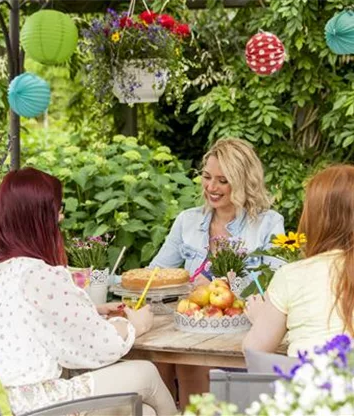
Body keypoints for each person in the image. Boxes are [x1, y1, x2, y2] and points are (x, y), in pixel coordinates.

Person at [0, 167, 177, 416]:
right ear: (41, 217)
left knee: (146, 413)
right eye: (58, 209)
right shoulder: (39, 274)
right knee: (146, 373)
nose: (61, 217)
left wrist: (91, 310)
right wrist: (134, 324)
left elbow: (27, 319)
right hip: (33, 406)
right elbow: (98, 346)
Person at [149, 137, 285, 409]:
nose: (211, 187)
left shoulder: (268, 223)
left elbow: (275, 283)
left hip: (241, 329)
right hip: (193, 325)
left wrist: (225, 287)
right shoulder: (187, 221)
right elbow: (155, 274)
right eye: (207, 177)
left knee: (189, 358)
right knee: (158, 356)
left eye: (223, 180)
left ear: (243, 181)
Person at [243, 164, 354, 357]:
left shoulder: (292, 275)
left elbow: (254, 352)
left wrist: (263, 318)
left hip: (312, 384)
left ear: (314, 218)